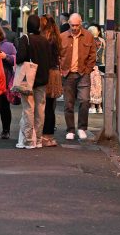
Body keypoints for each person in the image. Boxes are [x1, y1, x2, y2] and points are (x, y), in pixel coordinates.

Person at [14, 14, 52, 149]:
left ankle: (29, 140)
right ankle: (39, 139)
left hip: (28, 80)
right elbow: (50, 60)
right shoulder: (44, 40)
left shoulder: (25, 39)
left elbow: (20, 58)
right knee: (40, 110)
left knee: (28, 109)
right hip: (42, 80)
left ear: (28, 25)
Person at [59, 13, 97, 141]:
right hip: (67, 73)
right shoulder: (62, 37)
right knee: (68, 104)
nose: (74, 28)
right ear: (69, 24)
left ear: (81, 24)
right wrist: (61, 69)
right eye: (72, 25)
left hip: (83, 73)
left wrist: (87, 70)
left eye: (77, 25)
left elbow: (92, 55)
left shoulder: (88, 36)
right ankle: (70, 129)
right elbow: (58, 55)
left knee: (85, 100)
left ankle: (82, 128)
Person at [39, 15, 63, 147]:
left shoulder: (45, 38)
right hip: (55, 72)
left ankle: (44, 135)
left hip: (46, 72)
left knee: (44, 106)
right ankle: (50, 136)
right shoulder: (56, 37)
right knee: (50, 106)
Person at [0, 24, 16, 140]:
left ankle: (6, 130)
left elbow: (16, 59)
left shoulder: (9, 46)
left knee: (4, 106)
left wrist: (6, 56)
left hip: (5, 79)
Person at [87, 25, 103, 114]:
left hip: (92, 67)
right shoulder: (102, 41)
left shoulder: (89, 41)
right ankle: (100, 107)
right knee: (99, 87)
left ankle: (92, 106)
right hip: (101, 66)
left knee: (92, 87)